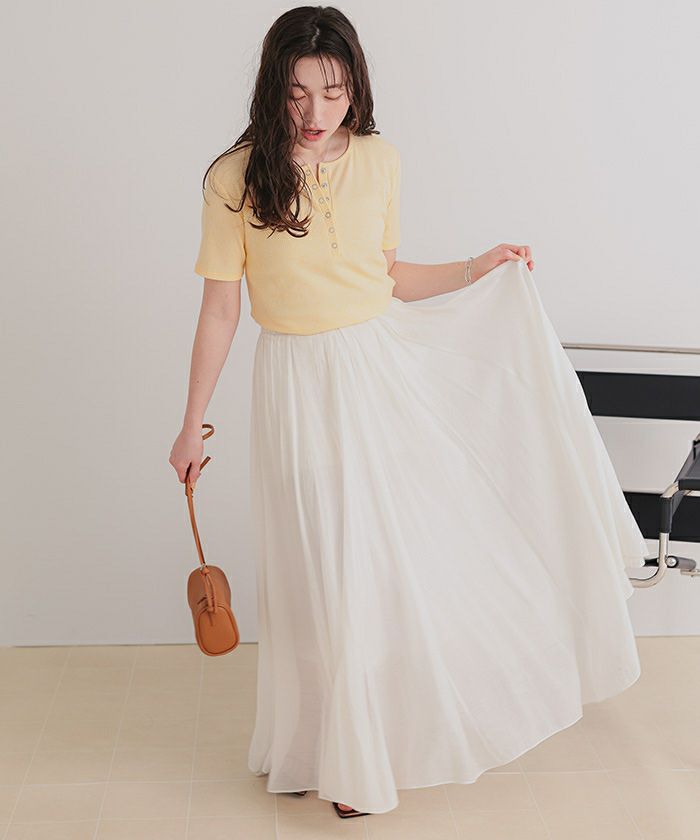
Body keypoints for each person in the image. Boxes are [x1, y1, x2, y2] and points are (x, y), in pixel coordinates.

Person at [169, 5, 648, 819]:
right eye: (297, 93)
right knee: (310, 570)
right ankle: (308, 746)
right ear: (272, 90)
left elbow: (385, 277)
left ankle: (363, 759)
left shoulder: (380, 160)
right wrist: (191, 423)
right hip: (292, 384)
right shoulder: (235, 176)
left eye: (333, 92)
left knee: (367, 568)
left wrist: (477, 267)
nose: (316, 112)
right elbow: (221, 309)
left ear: (355, 88)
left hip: (375, 373)